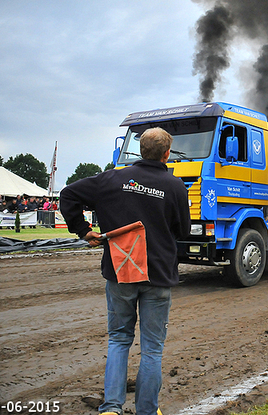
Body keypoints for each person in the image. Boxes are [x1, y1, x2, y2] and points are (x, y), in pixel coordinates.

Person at [60, 127, 190, 415]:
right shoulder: (176, 187)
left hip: (121, 272)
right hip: (158, 275)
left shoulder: (110, 178)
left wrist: (83, 230)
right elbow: (183, 230)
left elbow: (68, 194)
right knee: (152, 349)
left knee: (119, 339)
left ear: (139, 151)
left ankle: (111, 408)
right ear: (166, 154)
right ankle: (147, 410)